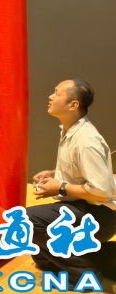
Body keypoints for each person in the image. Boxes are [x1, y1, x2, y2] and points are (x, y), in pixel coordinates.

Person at [28, 79, 116, 282]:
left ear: (73, 105)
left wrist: (60, 187)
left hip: (99, 217)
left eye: (57, 93)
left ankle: (84, 274)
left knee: (28, 221)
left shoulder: (86, 141)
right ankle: (100, 255)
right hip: (84, 209)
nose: (50, 96)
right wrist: (54, 173)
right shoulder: (71, 130)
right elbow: (81, 171)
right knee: (40, 256)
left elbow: (102, 191)